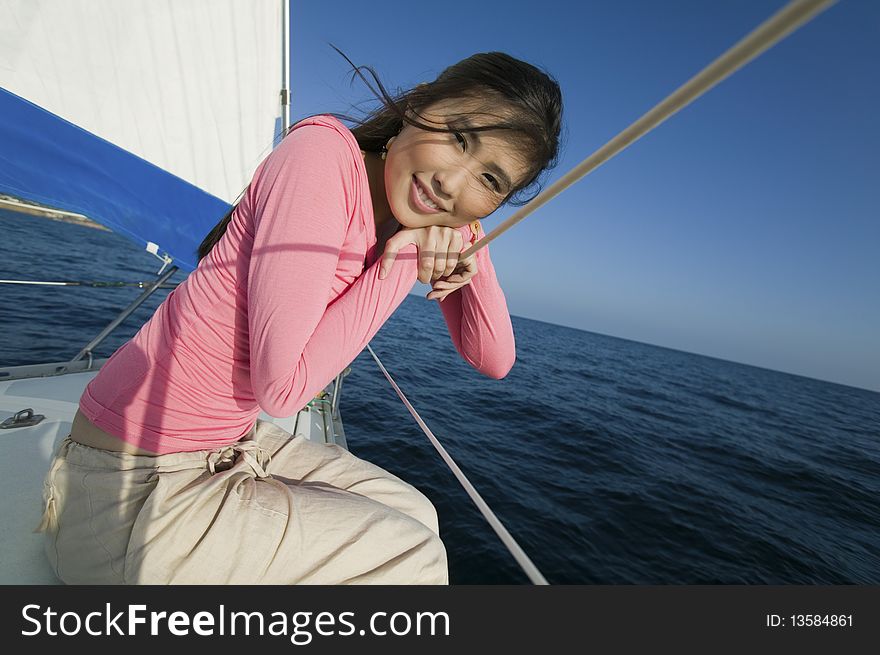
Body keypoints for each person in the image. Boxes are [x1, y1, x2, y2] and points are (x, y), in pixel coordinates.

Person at [37, 49, 563, 584]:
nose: (455, 182)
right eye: (459, 137)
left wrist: (470, 237)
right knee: (413, 558)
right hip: (124, 496)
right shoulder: (322, 156)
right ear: (419, 105)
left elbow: (494, 359)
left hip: (223, 449)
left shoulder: (439, 213)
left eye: (492, 181)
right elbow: (283, 391)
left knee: (422, 516)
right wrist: (404, 258)